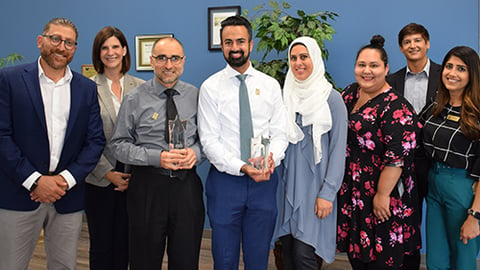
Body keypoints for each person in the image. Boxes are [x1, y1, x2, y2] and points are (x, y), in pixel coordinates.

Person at [0, 17, 105, 269]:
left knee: (64, 265)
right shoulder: (10, 80)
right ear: (40, 41)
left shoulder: (86, 88)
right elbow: (2, 136)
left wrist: (65, 180)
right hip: (19, 194)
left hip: (67, 196)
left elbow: (95, 141)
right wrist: (35, 180)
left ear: (75, 48)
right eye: (55, 39)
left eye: (69, 42)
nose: (61, 47)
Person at [198, 15, 288, 269]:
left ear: (250, 43)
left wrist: (273, 159)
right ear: (222, 45)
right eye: (228, 42)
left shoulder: (270, 86)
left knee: (258, 257)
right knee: (224, 258)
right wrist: (242, 166)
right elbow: (209, 140)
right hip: (226, 183)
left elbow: (280, 133)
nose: (234, 47)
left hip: (264, 182)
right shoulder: (210, 88)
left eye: (240, 41)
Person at [109, 37, 204, 270]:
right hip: (147, 188)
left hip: (186, 188)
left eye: (174, 58)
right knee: (144, 260)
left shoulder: (197, 96)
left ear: (183, 61)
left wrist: (196, 153)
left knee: (185, 259)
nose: (168, 65)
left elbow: (208, 140)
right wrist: (156, 157)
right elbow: (118, 145)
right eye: (161, 58)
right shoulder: (134, 98)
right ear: (152, 61)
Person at [336, 35, 422, 269]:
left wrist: (382, 195)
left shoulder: (397, 107)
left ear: (386, 69)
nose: (367, 71)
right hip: (354, 190)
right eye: (362, 65)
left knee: (384, 258)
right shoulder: (350, 93)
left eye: (374, 66)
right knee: (359, 257)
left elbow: (397, 158)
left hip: (384, 192)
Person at [274, 36, 348, 269]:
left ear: (314, 58)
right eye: (293, 58)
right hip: (286, 188)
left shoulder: (332, 99)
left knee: (305, 255)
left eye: (304, 57)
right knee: (287, 252)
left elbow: (338, 150)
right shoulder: (286, 96)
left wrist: (328, 192)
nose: (298, 63)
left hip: (316, 191)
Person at [85, 26, 145, 270]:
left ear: (124, 50)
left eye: (115, 47)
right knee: (102, 245)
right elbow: (82, 138)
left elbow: (147, 135)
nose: (110, 52)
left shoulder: (142, 87)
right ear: (98, 54)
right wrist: (107, 173)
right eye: (104, 48)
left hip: (135, 178)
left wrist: (134, 173)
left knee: (128, 243)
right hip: (100, 177)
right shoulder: (86, 87)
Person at [420, 46, 480, 270]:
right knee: (436, 259)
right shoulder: (437, 104)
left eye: (461, 69)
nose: (452, 73)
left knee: (463, 259)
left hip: (463, 187)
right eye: (449, 66)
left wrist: (475, 216)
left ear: (472, 74)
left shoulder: (477, 111)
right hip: (434, 183)